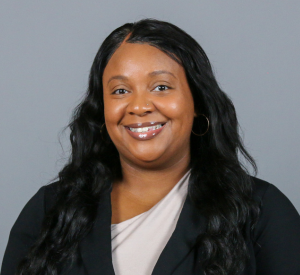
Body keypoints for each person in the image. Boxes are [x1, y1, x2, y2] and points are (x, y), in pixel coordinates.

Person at [1, 18, 300, 275]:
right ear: (101, 110)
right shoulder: (49, 211)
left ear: (197, 102)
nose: (140, 106)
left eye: (161, 87)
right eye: (120, 90)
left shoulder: (262, 212)